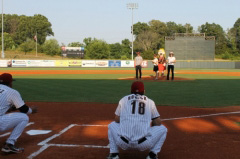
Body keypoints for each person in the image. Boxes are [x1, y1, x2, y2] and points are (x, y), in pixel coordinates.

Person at [107, 81, 168, 159]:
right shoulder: (150, 102)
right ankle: (152, 155)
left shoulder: (123, 100)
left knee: (111, 125)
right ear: (144, 91)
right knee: (163, 129)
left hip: (123, 142)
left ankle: (114, 154)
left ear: (131, 90)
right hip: (144, 144)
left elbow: (116, 120)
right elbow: (158, 122)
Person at [0, 73, 38, 153]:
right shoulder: (12, 92)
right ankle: (9, 144)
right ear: (10, 82)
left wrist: (9, 109)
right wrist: (32, 110)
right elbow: (24, 110)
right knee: (24, 117)